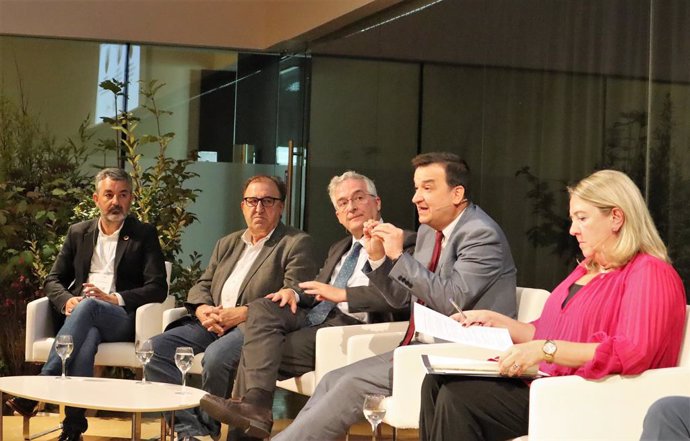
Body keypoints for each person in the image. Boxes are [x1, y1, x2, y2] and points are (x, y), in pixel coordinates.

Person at [223, 152, 517, 441]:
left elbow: (453, 300)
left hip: (462, 351)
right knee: (332, 379)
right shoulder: (430, 232)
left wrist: (398, 258)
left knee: (349, 383)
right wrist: (379, 261)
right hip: (418, 345)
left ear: (457, 194)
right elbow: (402, 294)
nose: (416, 197)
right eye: (416, 188)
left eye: (427, 188)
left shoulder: (480, 234)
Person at [419, 169, 687, 441]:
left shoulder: (650, 272)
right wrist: (498, 322)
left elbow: (632, 351)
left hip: (593, 395)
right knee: (435, 382)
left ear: (616, 217)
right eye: (573, 219)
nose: (573, 230)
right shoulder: (586, 270)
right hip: (552, 383)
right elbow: (550, 333)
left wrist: (546, 350)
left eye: (582, 218)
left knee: (459, 398)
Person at [200, 171, 416, 439]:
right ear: (338, 215)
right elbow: (316, 289)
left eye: (359, 198)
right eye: (343, 203)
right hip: (317, 319)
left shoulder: (404, 241)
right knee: (263, 308)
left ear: (377, 202)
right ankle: (255, 409)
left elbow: (401, 296)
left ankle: (252, 418)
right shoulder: (340, 247)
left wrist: (343, 294)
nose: (351, 207)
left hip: (352, 328)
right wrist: (293, 292)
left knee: (253, 355)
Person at [145, 174, 318, 441]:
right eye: (252, 201)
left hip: (252, 326)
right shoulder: (227, 242)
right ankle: (189, 430)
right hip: (212, 321)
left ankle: (206, 430)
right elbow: (203, 283)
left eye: (267, 201)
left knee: (217, 358)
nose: (258, 208)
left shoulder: (295, 243)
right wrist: (203, 309)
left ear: (281, 206)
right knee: (156, 350)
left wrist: (242, 313)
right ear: (243, 205)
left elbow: (292, 296)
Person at [5, 168, 168, 441]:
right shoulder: (78, 232)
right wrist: (68, 300)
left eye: (123, 195)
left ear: (130, 199)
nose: (115, 201)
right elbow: (53, 279)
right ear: (96, 199)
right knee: (86, 336)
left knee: (90, 307)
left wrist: (113, 298)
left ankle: (44, 382)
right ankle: (73, 429)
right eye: (109, 194)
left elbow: (158, 287)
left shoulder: (144, 234)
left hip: (122, 317)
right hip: (83, 318)